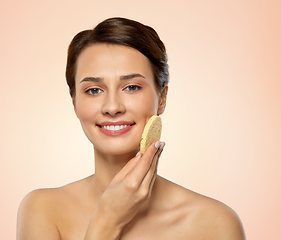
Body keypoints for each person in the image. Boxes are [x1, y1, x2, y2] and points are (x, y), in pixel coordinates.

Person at [17, 17, 246, 240]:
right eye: (94, 90)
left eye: (132, 87)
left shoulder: (214, 224)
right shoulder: (44, 211)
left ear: (162, 97)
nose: (112, 107)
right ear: (75, 102)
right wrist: (107, 220)